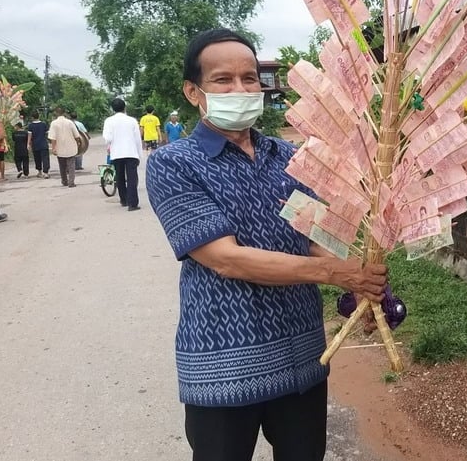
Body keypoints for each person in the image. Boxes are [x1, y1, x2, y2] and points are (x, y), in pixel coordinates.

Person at [145, 28, 387, 461]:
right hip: (224, 366)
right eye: (223, 80)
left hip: (303, 358)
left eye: (249, 78)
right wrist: (336, 273)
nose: (240, 89)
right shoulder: (174, 163)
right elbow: (226, 259)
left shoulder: (288, 157)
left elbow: (315, 237)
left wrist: (362, 286)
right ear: (193, 91)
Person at [103, 98, 143, 211]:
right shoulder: (132, 121)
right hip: (131, 153)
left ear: (113, 109)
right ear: (125, 107)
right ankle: (133, 204)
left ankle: (124, 200)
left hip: (117, 153)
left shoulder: (109, 121)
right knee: (132, 178)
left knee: (120, 177)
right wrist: (139, 155)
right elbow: (137, 139)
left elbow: (107, 138)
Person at [48, 107, 81, 188]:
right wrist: (78, 142)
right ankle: (71, 182)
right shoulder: (70, 122)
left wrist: (53, 148)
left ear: (56, 113)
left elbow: (53, 138)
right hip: (71, 147)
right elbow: (77, 135)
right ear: (64, 113)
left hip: (60, 148)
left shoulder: (54, 123)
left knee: (62, 166)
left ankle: (64, 181)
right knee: (71, 166)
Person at [26, 110, 50, 178]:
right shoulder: (43, 124)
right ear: (38, 116)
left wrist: (28, 144)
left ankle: (40, 172)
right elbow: (47, 133)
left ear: (32, 117)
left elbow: (29, 135)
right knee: (45, 158)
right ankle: (46, 173)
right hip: (43, 144)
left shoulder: (31, 125)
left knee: (37, 158)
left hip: (35, 145)